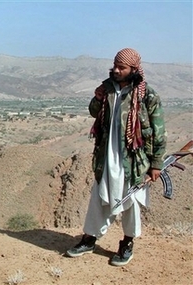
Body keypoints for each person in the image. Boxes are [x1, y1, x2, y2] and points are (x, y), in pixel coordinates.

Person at [66, 48, 166, 266]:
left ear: (134, 70)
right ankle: (89, 238)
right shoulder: (107, 88)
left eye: (122, 67)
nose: (117, 70)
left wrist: (156, 163)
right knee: (98, 197)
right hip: (106, 155)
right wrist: (96, 97)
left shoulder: (147, 95)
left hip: (133, 160)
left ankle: (127, 242)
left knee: (130, 201)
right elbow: (94, 112)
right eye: (115, 66)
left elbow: (159, 131)